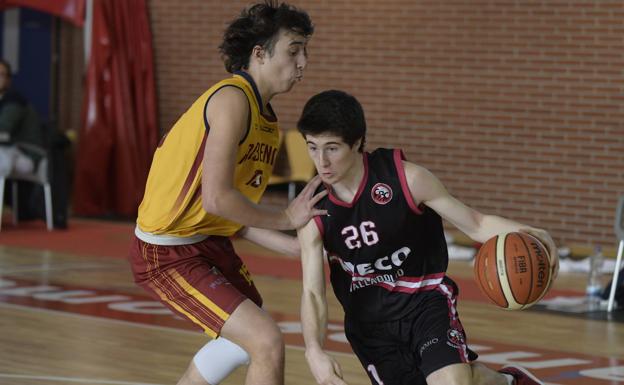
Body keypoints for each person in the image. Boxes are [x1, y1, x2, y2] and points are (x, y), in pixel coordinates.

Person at [296, 90, 560, 385]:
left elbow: (474, 223)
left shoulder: (406, 179)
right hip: (370, 326)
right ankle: (507, 382)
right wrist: (313, 350)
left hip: (424, 301)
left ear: (358, 142)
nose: (322, 161)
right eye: (312, 147)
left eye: (332, 148)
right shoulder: (313, 210)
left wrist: (530, 232)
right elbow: (312, 292)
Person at [128, 3, 323, 385]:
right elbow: (217, 198)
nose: (303, 63)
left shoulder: (265, 120)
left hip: (207, 240)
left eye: (306, 52)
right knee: (265, 340)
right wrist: (286, 219)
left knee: (247, 334)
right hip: (166, 251)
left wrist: (307, 248)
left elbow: (234, 220)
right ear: (260, 53)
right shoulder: (233, 100)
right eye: (294, 50)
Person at [0, 59, 43, 180]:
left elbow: (3, 129)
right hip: (9, 151)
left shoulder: (13, 99)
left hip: (27, 153)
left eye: (1, 74)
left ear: (8, 80)